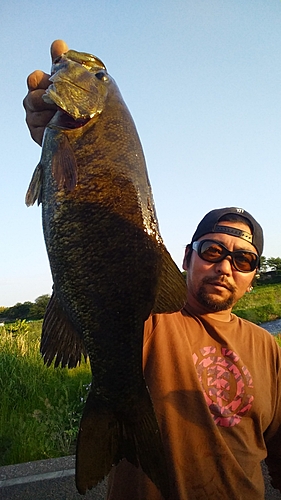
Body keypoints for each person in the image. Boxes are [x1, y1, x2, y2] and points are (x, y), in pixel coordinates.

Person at [23, 41, 281, 500]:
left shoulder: (269, 349)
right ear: (184, 257)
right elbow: (102, 228)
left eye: (243, 259)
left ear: (254, 273)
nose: (225, 265)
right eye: (212, 249)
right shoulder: (152, 323)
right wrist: (49, 139)